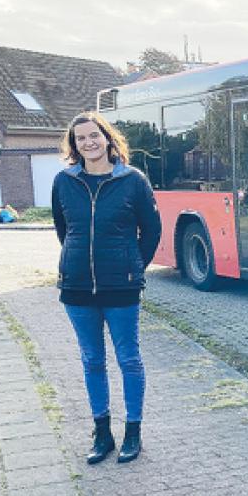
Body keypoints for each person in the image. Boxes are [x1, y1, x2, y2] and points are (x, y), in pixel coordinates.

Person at [51, 111, 161, 464]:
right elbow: (63, 230)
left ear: (108, 138)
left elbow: (152, 231)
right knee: (91, 360)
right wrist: (77, 262)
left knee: (129, 359)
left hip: (122, 289)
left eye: (94, 135)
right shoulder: (64, 181)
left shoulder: (133, 180)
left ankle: (133, 432)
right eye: (81, 138)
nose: (89, 142)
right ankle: (102, 434)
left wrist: (132, 268)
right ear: (74, 145)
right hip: (77, 289)